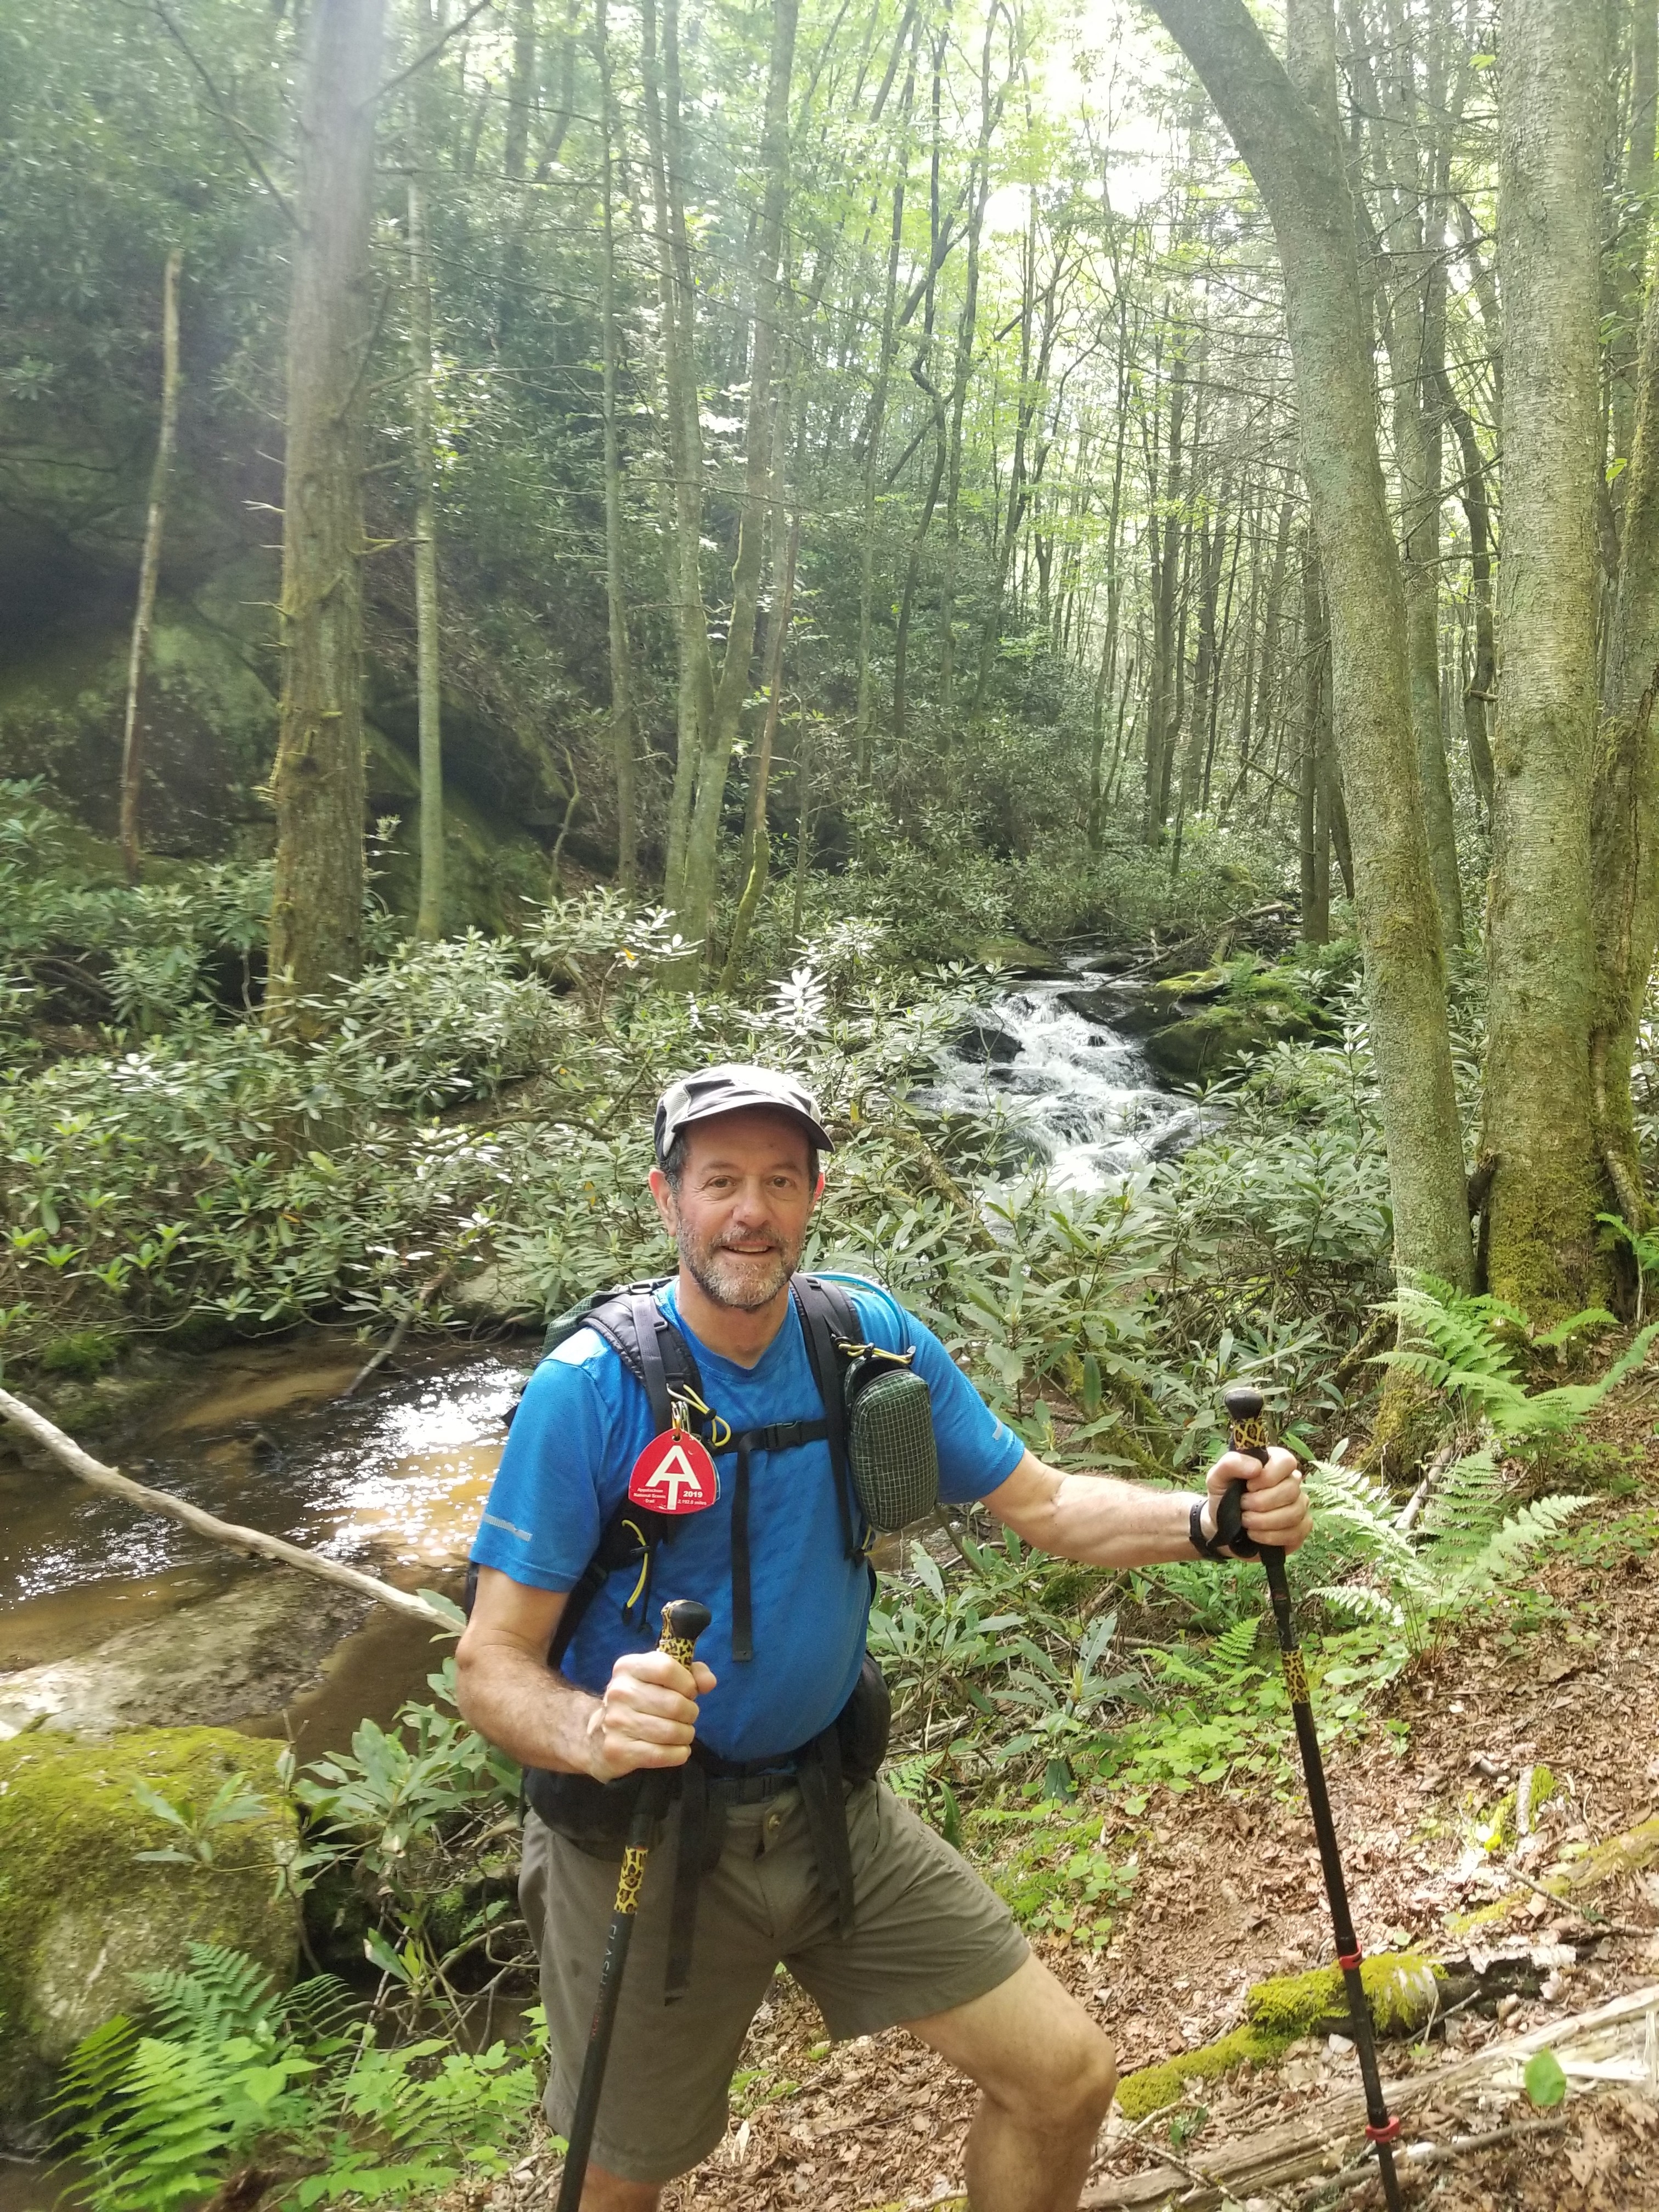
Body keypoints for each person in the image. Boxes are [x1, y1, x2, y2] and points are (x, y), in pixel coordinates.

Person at [457, 1063, 1311, 2212]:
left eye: (780, 1180)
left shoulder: (868, 1343)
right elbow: (491, 1664)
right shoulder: (591, 1391)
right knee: (617, 2183)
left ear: (814, 1196)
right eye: (720, 1181)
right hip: (644, 1838)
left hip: (830, 1807)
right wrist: (594, 1729)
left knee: (1064, 2080)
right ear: (668, 1200)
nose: (751, 1211)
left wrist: (1208, 1525)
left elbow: (1049, 1504)